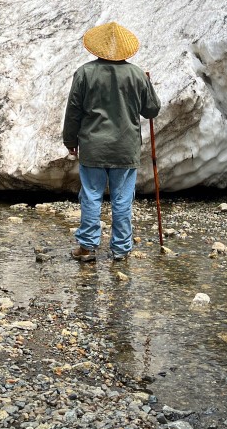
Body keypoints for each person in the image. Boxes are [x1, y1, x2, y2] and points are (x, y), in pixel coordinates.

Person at [62, 22, 161, 263]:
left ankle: (87, 247)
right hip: (125, 149)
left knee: (92, 196)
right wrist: (147, 84)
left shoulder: (84, 73)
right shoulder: (137, 74)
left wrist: (70, 139)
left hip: (93, 147)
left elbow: (74, 110)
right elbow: (151, 110)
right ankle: (120, 249)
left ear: (97, 48)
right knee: (122, 199)